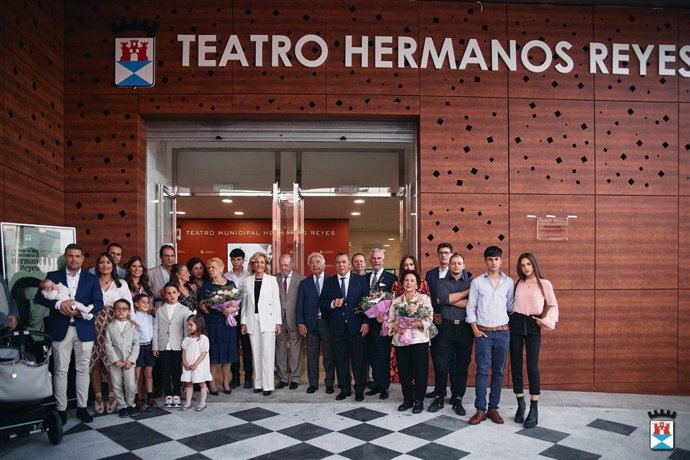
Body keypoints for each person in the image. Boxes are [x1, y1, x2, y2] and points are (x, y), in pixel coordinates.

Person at [34, 243, 103, 424]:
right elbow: (39, 297)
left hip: (84, 328)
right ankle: (61, 410)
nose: (74, 259)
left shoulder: (91, 279)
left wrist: (81, 311)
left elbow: (98, 303)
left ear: (82, 259)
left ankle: (82, 408)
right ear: (66, 257)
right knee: (60, 371)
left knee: (83, 370)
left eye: (77, 256)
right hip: (60, 328)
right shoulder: (53, 276)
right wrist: (58, 304)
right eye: (71, 256)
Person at [466, 246, 514, 425]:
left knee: (499, 371)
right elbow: (470, 308)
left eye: (497, 259)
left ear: (501, 260)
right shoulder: (477, 282)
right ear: (485, 261)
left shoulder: (509, 282)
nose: (494, 262)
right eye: (490, 259)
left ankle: (493, 408)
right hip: (483, 333)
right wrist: (475, 330)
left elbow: (510, 306)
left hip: (503, 333)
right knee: (482, 371)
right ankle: (480, 409)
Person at [510, 252, 559, 429]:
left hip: (533, 324)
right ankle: (520, 403)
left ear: (534, 265)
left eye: (528, 264)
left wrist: (544, 320)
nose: (525, 268)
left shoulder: (544, 283)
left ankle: (534, 408)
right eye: (522, 265)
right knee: (516, 364)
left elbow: (553, 305)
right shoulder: (518, 283)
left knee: (532, 366)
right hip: (516, 323)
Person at [319, 252, 370, 402]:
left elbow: (367, 303)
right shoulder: (329, 282)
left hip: (357, 328)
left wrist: (366, 321)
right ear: (335, 265)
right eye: (338, 262)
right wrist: (333, 303)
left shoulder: (360, 281)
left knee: (358, 361)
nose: (341, 265)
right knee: (340, 361)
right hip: (337, 329)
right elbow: (322, 303)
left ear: (349, 264)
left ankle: (359, 389)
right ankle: (345, 389)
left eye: (344, 262)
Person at [429, 253, 472, 416]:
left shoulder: (471, 282)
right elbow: (443, 297)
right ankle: (439, 397)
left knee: (462, 366)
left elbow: (471, 303)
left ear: (463, 265)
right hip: (445, 327)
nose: (456, 265)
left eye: (459, 263)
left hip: (465, 329)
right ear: (449, 265)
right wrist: (465, 293)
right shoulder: (441, 282)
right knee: (441, 365)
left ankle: (458, 398)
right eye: (453, 263)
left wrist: (449, 300)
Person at [91, 252, 134, 415]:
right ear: (97, 265)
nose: (105, 265)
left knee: (111, 360)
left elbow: (129, 304)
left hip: (114, 322)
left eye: (108, 262)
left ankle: (112, 396)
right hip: (94, 323)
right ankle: (98, 397)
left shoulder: (121, 283)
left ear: (113, 265)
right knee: (94, 361)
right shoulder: (92, 282)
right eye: (101, 262)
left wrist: (132, 322)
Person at [387, 270, 433, 413]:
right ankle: (407, 400)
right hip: (401, 341)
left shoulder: (424, 299)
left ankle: (419, 400)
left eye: (412, 280)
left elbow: (429, 319)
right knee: (404, 372)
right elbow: (389, 323)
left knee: (420, 372)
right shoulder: (396, 301)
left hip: (419, 340)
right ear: (402, 283)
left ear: (417, 284)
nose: (409, 283)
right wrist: (397, 326)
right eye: (406, 280)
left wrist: (417, 324)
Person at [240, 252, 282, 396]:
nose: (259, 265)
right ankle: (258, 383)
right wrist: (243, 322)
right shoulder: (247, 281)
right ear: (252, 264)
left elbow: (276, 302)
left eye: (262, 262)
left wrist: (278, 322)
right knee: (256, 353)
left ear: (266, 265)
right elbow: (245, 304)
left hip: (268, 320)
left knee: (267, 354)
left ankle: (268, 385)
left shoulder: (271, 280)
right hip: (252, 319)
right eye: (256, 262)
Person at [198, 257, 239, 395]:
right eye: (209, 268)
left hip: (227, 323)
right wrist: (203, 306)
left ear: (221, 269)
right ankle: (212, 382)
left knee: (227, 353)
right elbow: (202, 303)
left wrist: (231, 309)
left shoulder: (231, 284)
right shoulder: (207, 285)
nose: (210, 270)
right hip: (212, 323)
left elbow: (237, 304)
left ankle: (226, 381)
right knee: (214, 353)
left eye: (213, 267)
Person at [296, 252, 335, 394]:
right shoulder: (304, 283)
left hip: (327, 324)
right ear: (308, 266)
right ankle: (313, 383)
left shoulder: (332, 281)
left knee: (329, 356)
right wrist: (300, 323)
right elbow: (299, 305)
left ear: (324, 264)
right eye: (312, 262)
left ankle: (329, 383)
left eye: (318, 261)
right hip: (310, 324)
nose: (315, 264)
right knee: (311, 356)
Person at [153, 283, 192, 408]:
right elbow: (156, 328)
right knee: (165, 370)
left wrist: (186, 346)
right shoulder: (160, 310)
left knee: (176, 370)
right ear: (164, 295)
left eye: (174, 292)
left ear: (179, 293)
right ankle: (168, 394)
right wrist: (155, 346)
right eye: (168, 293)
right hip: (163, 344)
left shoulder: (184, 309)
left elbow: (186, 329)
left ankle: (176, 393)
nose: (172, 295)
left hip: (178, 344)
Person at [365, 248, 396, 400]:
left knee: (383, 355)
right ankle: (376, 384)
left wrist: (383, 315)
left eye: (379, 258)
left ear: (383, 260)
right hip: (368, 323)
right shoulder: (365, 278)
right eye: (374, 258)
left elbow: (394, 301)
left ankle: (384, 386)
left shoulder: (391, 278)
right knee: (372, 355)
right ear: (370, 261)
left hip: (383, 323)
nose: (376, 260)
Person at [424, 242, 453, 399]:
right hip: (434, 321)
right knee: (436, 356)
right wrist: (434, 314)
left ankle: (454, 392)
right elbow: (427, 297)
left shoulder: (457, 272)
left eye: (447, 252)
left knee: (451, 359)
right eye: (441, 252)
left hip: (451, 321)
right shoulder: (430, 274)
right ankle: (438, 389)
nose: (444, 255)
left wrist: (444, 313)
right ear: (437, 254)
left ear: (451, 254)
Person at [223, 248, 254, 389]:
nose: (236, 262)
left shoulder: (249, 275)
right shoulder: (226, 276)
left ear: (243, 260)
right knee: (233, 348)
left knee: (247, 348)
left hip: (246, 314)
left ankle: (248, 377)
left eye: (238, 259)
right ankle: (235, 377)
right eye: (233, 259)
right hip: (230, 315)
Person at [105, 298, 140, 418]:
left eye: (124, 309)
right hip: (115, 361)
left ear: (129, 311)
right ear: (114, 311)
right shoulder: (110, 326)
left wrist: (131, 360)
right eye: (118, 309)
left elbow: (136, 344)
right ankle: (122, 406)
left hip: (128, 361)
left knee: (130, 384)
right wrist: (115, 360)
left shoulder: (132, 326)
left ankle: (130, 404)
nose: (121, 311)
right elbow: (108, 344)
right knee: (116, 384)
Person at [275, 254, 305, 390]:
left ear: (292, 265)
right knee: (280, 349)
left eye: (286, 265)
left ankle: (294, 378)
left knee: (295, 350)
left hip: (294, 318)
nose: (283, 267)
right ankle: (282, 378)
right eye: (281, 265)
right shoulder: (274, 278)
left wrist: (301, 321)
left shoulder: (301, 279)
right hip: (278, 320)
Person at [181, 315, 212, 411]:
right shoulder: (187, 339)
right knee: (188, 383)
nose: (189, 327)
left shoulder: (203, 339)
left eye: (191, 325)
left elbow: (204, 353)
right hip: (188, 365)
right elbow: (184, 351)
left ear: (198, 325)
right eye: (188, 325)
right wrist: (184, 362)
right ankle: (188, 402)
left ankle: (202, 403)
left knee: (202, 383)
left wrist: (196, 364)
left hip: (199, 366)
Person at [132, 293, 157, 411]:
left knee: (149, 374)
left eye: (148, 302)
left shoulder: (151, 317)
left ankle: (150, 397)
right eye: (143, 302)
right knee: (137, 375)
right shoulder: (133, 317)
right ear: (136, 304)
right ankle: (138, 399)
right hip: (138, 348)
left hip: (149, 347)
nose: (146, 304)